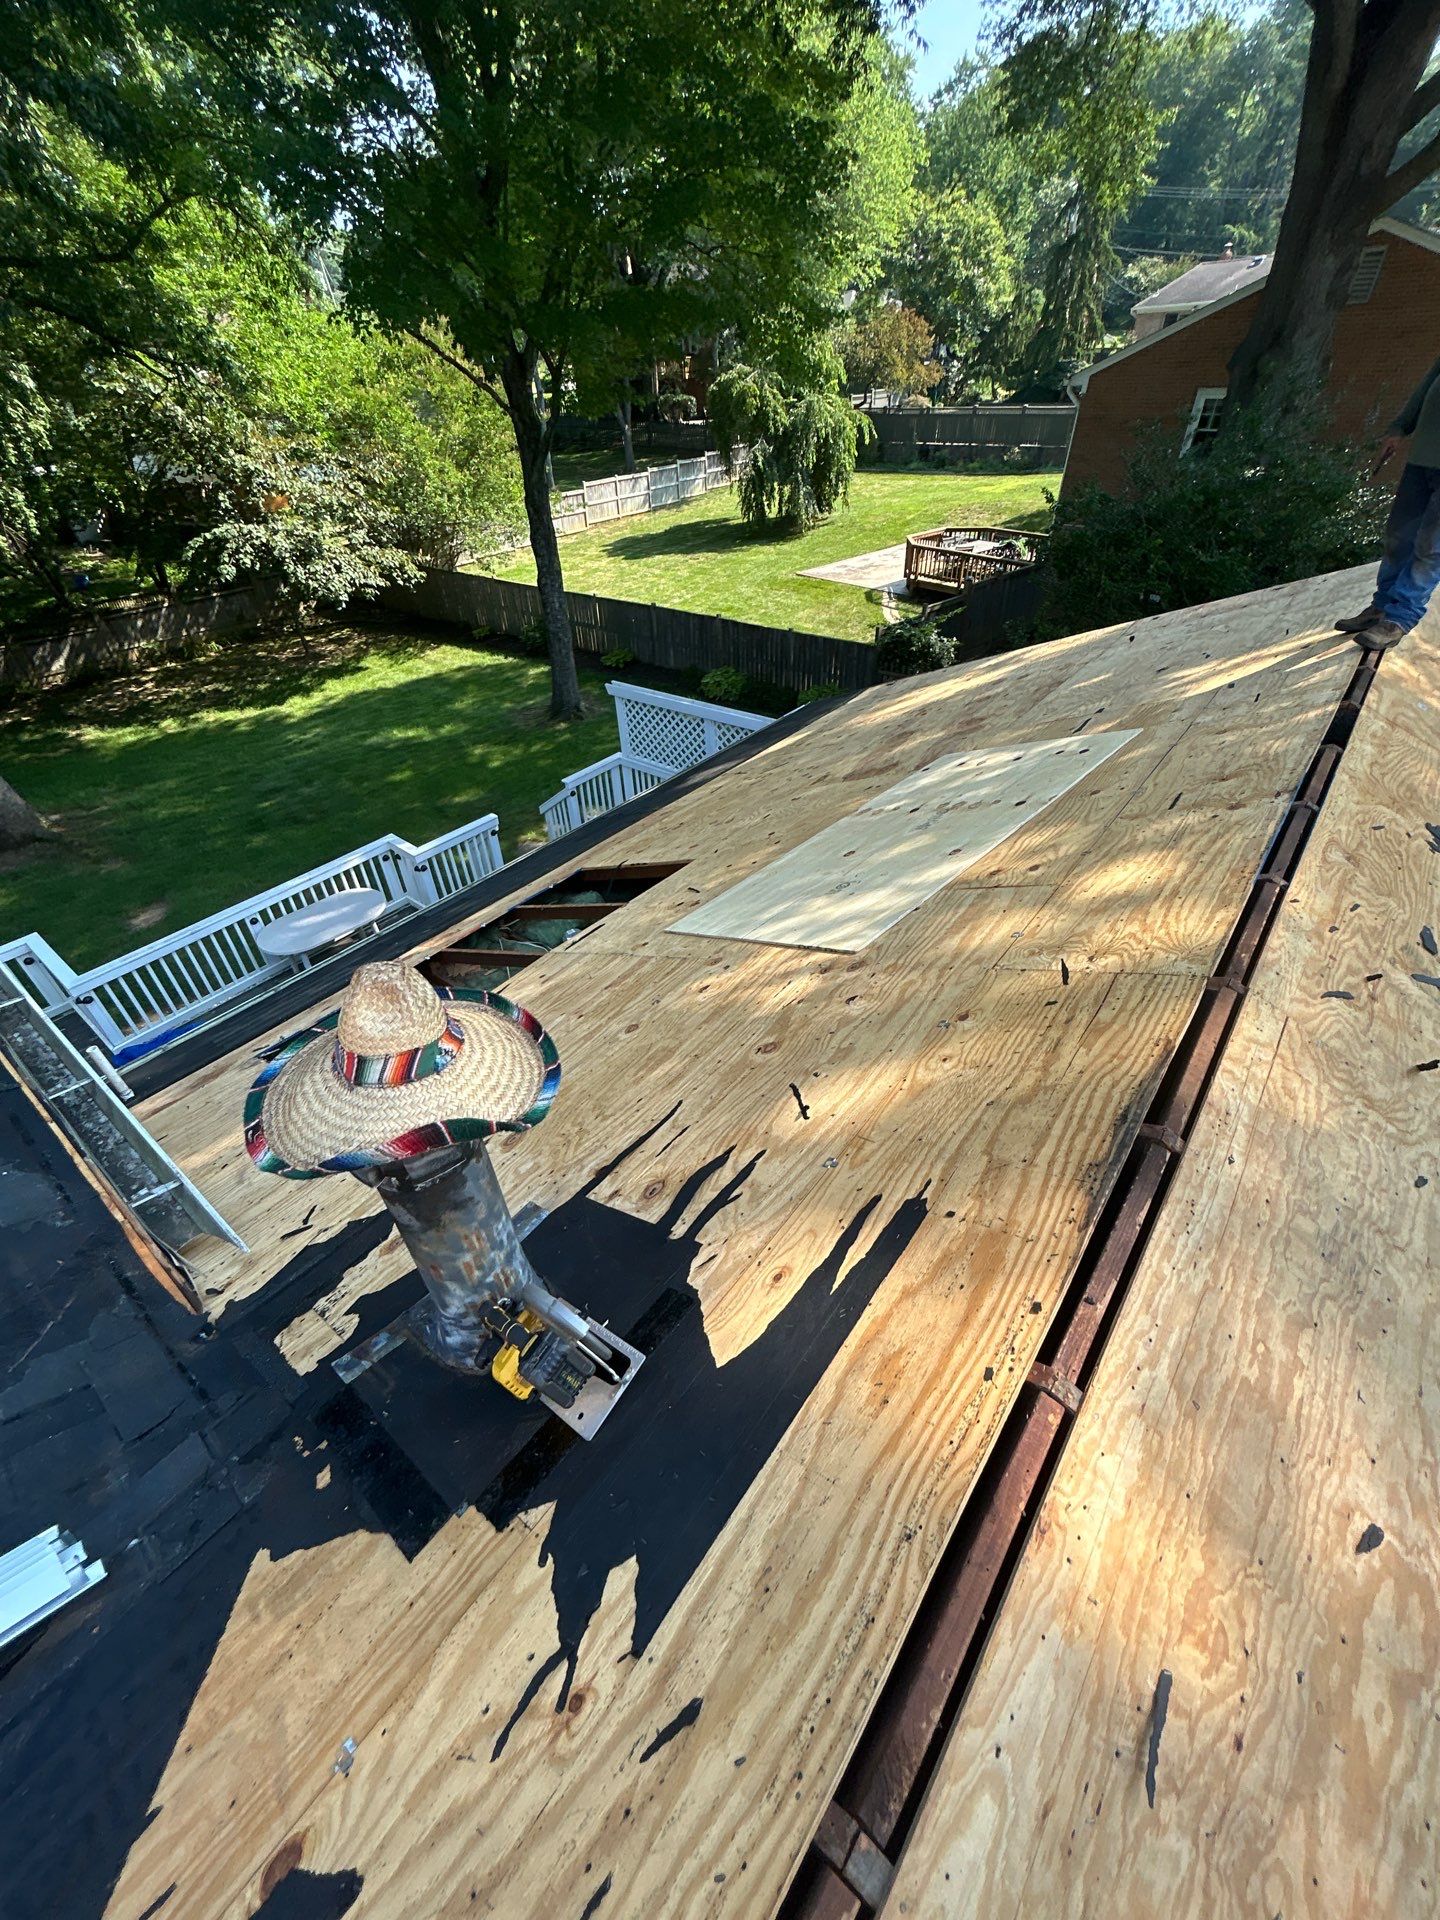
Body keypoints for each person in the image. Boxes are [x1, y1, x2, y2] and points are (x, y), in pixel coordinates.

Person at [1337, 354, 1440, 647]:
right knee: (1398, 536)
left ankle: (1400, 617)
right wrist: (1398, 428)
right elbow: (1424, 390)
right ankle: (1382, 606)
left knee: (1430, 548)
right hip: (1422, 460)